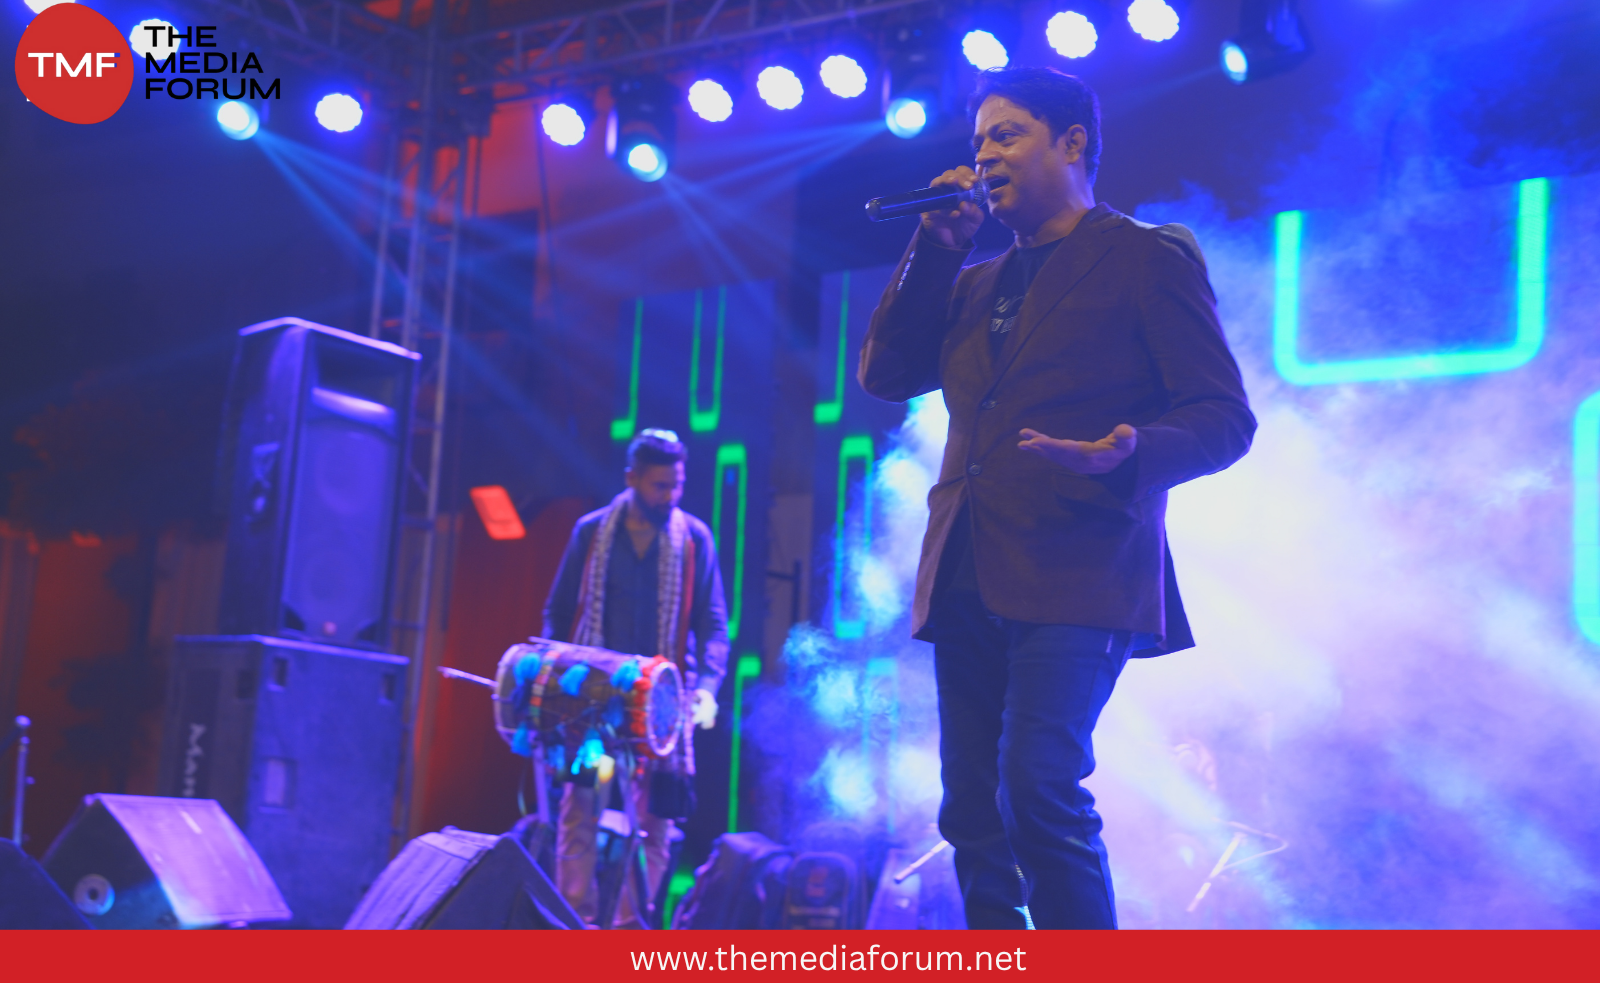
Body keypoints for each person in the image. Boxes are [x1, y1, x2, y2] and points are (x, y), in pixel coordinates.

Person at [859, 67, 1256, 929]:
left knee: (1036, 783)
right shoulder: (973, 281)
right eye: (978, 144)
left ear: (1073, 143)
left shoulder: (1146, 257)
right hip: (968, 565)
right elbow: (886, 374)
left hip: (1081, 568)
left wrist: (1131, 450)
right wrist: (936, 247)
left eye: (1007, 135)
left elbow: (1224, 418)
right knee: (972, 808)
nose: (985, 156)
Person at [542, 429, 728, 927]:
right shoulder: (591, 532)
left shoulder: (694, 538)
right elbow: (557, 613)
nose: (670, 496)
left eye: (676, 485)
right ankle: (574, 925)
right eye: (659, 485)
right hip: (594, 699)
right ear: (631, 478)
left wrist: (707, 690)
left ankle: (628, 932)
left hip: (663, 704)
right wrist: (555, 678)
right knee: (580, 811)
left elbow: (714, 625)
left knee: (656, 824)